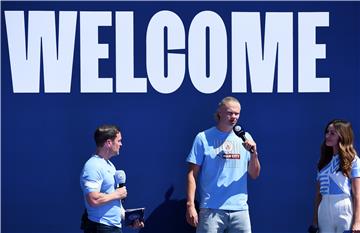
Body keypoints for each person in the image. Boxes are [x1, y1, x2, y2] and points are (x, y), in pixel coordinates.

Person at [186, 96, 261, 233]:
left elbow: (254, 174)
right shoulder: (203, 138)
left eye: (237, 113)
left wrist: (254, 154)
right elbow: (192, 174)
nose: (233, 117)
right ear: (219, 112)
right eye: (230, 113)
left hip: (240, 209)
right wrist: (190, 205)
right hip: (211, 209)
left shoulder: (246, 138)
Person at [80, 124, 144, 233]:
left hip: (112, 228)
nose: (121, 144)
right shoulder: (93, 165)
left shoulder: (110, 165)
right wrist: (117, 194)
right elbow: (93, 199)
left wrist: (130, 219)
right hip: (100, 227)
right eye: (119, 141)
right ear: (109, 143)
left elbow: (113, 202)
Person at [309, 119, 360, 233]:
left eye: (332, 133)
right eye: (327, 132)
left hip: (344, 207)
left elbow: (357, 194)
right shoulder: (322, 162)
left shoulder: (353, 160)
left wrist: (357, 222)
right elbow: (318, 195)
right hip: (324, 209)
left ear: (342, 136)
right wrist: (315, 221)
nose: (328, 136)